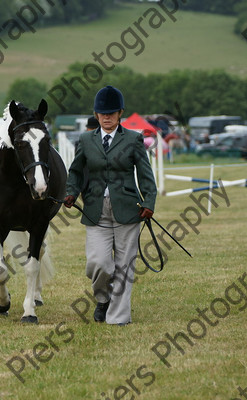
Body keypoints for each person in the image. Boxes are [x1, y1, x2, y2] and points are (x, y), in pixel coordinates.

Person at [64, 85, 157, 326]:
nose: (107, 117)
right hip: (96, 210)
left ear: (120, 114)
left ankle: (118, 318)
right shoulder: (85, 140)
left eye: (112, 113)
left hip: (128, 209)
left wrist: (149, 202)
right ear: (96, 115)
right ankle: (103, 298)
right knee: (98, 263)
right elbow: (75, 172)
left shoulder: (134, 139)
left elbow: (146, 175)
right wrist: (71, 192)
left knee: (124, 266)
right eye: (102, 113)